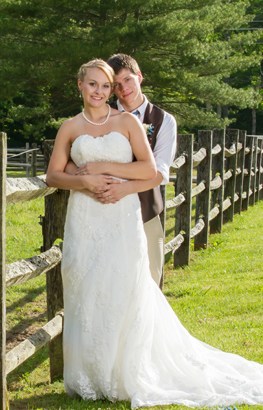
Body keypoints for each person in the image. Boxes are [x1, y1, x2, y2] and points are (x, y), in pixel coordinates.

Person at [45, 59, 263, 408]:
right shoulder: (69, 127)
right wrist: (84, 182)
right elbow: (53, 175)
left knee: (122, 289)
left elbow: (153, 171)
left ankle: (124, 373)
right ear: (79, 84)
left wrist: (107, 175)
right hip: (85, 218)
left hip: (123, 216)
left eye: (107, 86)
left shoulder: (129, 122)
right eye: (95, 85)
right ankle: (88, 376)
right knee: (86, 288)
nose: (102, 91)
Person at [65, 54, 175, 287]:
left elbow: (159, 173)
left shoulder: (164, 120)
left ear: (140, 77)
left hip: (145, 209)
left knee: (149, 281)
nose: (123, 88)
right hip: (98, 209)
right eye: (116, 84)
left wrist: (124, 189)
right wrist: (86, 178)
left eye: (128, 79)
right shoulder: (99, 110)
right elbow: (72, 153)